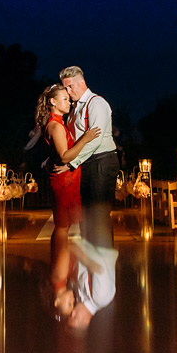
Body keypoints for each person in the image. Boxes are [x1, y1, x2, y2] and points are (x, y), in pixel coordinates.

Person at [58, 66, 119, 247]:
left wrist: (71, 163)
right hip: (87, 163)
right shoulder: (75, 108)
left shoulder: (97, 103)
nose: (68, 92)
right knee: (87, 215)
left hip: (102, 161)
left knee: (99, 215)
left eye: (70, 87)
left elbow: (95, 140)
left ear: (82, 82)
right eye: (65, 88)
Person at [34, 84, 100, 249]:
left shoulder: (58, 124)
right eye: (65, 99)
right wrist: (85, 139)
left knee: (64, 226)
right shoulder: (55, 126)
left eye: (69, 99)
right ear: (53, 102)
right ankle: (58, 268)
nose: (69, 102)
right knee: (62, 227)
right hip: (64, 182)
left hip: (68, 179)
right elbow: (64, 156)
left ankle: (60, 265)